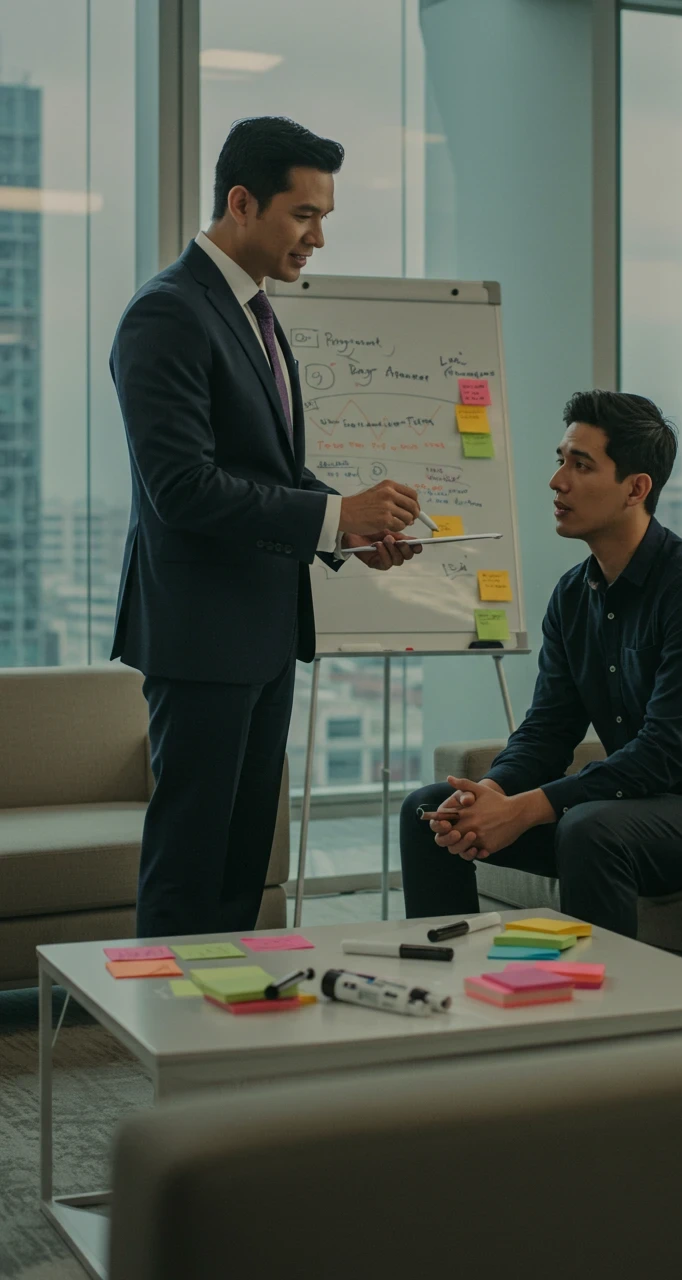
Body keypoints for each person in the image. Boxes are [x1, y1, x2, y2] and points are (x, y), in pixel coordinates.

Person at [111, 116, 422, 938]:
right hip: (202, 638)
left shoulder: (255, 312)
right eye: (304, 214)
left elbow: (265, 475)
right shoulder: (168, 313)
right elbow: (181, 488)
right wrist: (331, 514)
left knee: (241, 864)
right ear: (242, 202)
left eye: (325, 216)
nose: (318, 236)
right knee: (191, 865)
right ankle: (168, 1047)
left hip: (260, 632)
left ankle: (223, 1041)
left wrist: (350, 529)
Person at [401, 389, 682, 938]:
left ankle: (597, 1014)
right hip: (629, 809)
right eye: (561, 461)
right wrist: (495, 795)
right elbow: (548, 729)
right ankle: (445, 990)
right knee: (433, 811)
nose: (558, 481)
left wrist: (529, 809)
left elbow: (664, 753)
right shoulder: (573, 594)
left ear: (636, 488)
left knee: (589, 828)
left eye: (581, 466)